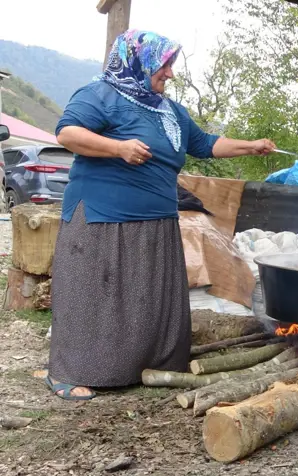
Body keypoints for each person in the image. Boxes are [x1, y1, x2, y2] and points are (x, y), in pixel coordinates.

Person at [41, 30, 276, 400]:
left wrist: (253, 146)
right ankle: (70, 372)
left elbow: (207, 143)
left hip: (158, 220)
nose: (169, 73)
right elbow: (68, 134)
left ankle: (145, 364)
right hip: (104, 218)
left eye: (170, 65)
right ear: (139, 61)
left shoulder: (169, 110)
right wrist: (117, 148)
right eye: (163, 65)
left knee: (147, 298)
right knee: (97, 296)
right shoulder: (100, 94)